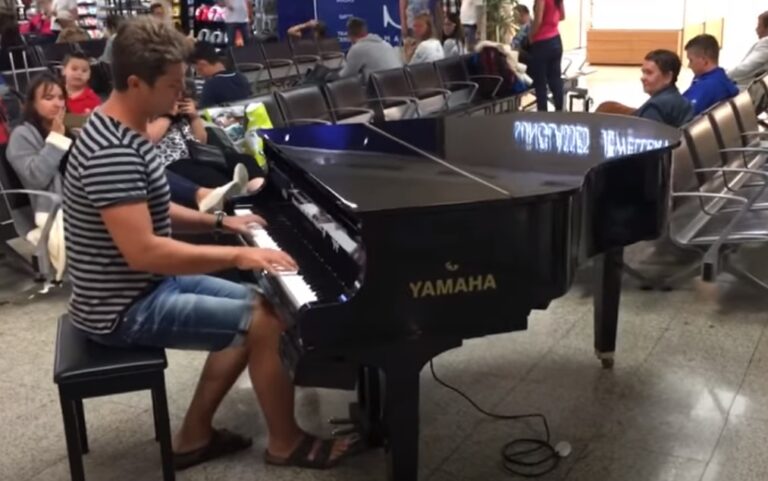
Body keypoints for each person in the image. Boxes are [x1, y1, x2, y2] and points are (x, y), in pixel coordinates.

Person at [63, 16, 356, 470]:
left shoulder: (122, 126)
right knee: (268, 321)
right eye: (173, 86)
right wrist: (241, 252)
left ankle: (193, 436)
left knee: (264, 303)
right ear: (136, 82)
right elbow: (146, 250)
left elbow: (151, 209)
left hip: (140, 285)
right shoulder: (113, 151)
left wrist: (220, 222)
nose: (182, 97)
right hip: (122, 306)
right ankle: (285, 443)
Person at [6, 74, 71, 281]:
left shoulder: (66, 125)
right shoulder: (21, 136)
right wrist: (56, 140)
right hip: (50, 207)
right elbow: (36, 178)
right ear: (32, 103)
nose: (57, 104)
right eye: (49, 98)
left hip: (81, 196)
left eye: (61, 98)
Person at [146, 83, 263, 192]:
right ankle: (234, 200)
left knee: (245, 160)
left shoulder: (183, 115)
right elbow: (149, 139)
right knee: (211, 176)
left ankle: (256, 194)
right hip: (171, 164)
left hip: (198, 157)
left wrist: (194, 118)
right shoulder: (148, 114)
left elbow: (202, 141)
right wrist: (168, 116)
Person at [596, 50, 694, 128]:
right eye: (643, 72)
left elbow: (648, 148)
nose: (642, 78)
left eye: (649, 73)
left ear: (668, 77)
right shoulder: (678, 99)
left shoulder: (655, 107)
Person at [682, 34, 738, 115]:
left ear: (704, 60)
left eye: (691, 60)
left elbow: (683, 114)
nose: (689, 66)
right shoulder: (719, 77)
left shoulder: (709, 86)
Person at [528, 0, 565, 112]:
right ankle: (560, 112)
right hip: (556, 40)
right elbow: (562, 16)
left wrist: (530, 35)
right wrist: (551, 21)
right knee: (556, 80)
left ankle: (543, 116)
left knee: (540, 84)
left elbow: (538, 20)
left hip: (542, 43)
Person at [338, 17, 402, 80]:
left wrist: (331, 76)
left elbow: (346, 75)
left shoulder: (357, 49)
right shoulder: (385, 44)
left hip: (380, 88)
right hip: (401, 85)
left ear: (349, 34)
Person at [190, 42, 251, 108]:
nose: (198, 73)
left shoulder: (211, 85)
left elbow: (204, 111)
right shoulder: (240, 77)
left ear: (202, 64)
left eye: (197, 69)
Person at [727, 11, 768, 88]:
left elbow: (747, 67)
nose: (756, 30)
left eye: (759, 26)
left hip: (748, 89)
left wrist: (723, 75)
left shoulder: (766, 42)